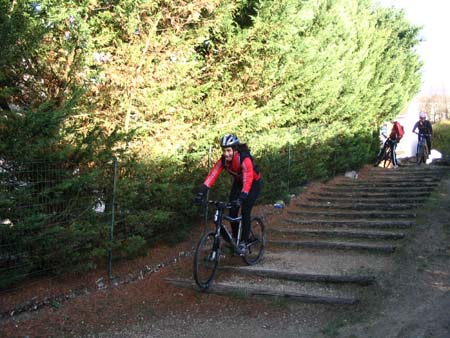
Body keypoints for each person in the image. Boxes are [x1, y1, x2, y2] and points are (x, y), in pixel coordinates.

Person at [194, 134, 262, 254]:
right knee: (232, 211)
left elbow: (248, 181)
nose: (226, 154)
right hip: (239, 183)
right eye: (224, 150)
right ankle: (235, 239)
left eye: (229, 150)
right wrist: (201, 192)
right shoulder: (224, 161)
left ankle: (244, 243)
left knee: (245, 210)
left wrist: (242, 197)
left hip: (253, 184)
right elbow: (212, 175)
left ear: (235, 150)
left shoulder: (245, 159)